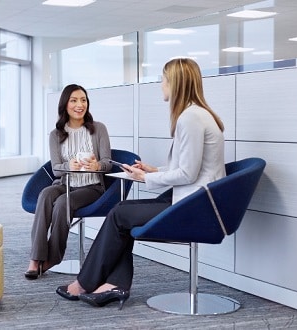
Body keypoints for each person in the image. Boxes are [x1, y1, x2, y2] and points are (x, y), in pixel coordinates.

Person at [56, 58, 226, 309]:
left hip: (195, 205)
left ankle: (86, 282)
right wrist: (154, 169)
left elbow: (188, 175)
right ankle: (114, 284)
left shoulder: (189, 119)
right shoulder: (198, 114)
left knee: (120, 212)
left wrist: (144, 178)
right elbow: (191, 168)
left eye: (163, 80)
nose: (161, 85)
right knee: (123, 216)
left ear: (175, 83)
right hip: (194, 198)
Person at [25, 84, 112, 280]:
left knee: (63, 203)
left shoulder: (98, 129)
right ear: (65, 105)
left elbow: (108, 163)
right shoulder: (56, 134)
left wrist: (96, 166)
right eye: (74, 100)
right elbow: (55, 168)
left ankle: (53, 257)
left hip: (91, 186)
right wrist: (68, 165)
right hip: (64, 183)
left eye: (83, 100)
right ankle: (35, 258)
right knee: (46, 194)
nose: (80, 105)